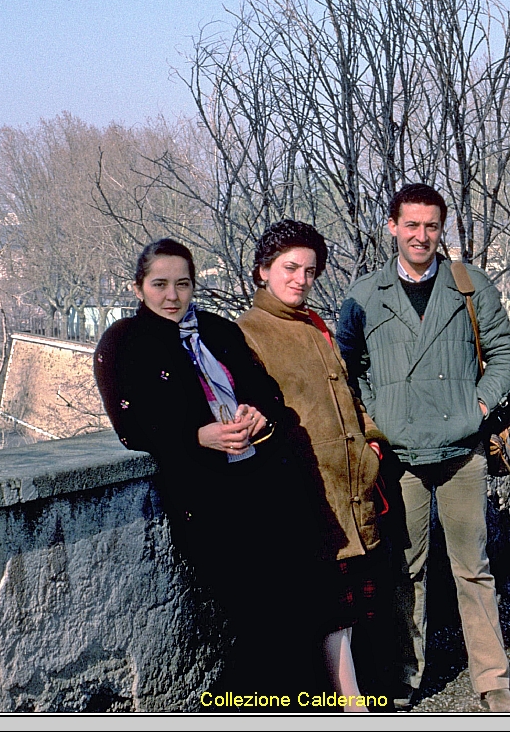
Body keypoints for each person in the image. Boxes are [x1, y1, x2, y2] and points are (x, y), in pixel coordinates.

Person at [93, 238, 323, 700]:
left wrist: (259, 413)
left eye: (182, 284)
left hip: (266, 486)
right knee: (254, 618)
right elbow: (131, 425)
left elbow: (265, 391)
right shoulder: (123, 342)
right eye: (159, 284)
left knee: (294, 611)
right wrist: (195, 437)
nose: (172, 296)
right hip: (207, 499)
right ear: (139, 288)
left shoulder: (218, 330)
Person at [336, 184, 510, 713]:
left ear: (442, 230)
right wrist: (377, 423)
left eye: (431, 227)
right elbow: (346, 371)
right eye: (411, 225)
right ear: (392, 227)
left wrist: (481, 407)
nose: (421, 236)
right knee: (404, 569)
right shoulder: (364, 295)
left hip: (463, 451)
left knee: (473, 566)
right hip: (401, 458)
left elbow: (507, 351)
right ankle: (403, 675)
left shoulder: (469, 285)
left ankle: (492, 680)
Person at [236, 220, 388, 712]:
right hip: (308, 493)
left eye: (309, 271)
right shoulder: (247, 334)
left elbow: (345, 397)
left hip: (352, 486)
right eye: (289, 268)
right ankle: (353, 704)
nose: (300, 279)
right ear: (263, 271)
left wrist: (372, 444)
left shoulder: (317, 327)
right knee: (329, 608)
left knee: (350, 606)